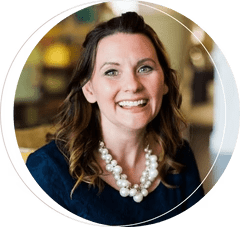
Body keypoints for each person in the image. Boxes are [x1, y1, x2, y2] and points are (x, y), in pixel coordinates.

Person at [26, 12, 204, 226]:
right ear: (89, 89)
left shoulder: (179, 155)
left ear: (165, 82)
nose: (133, 85)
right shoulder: (47, 169)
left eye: (145, 68)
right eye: (111, 71)